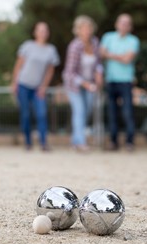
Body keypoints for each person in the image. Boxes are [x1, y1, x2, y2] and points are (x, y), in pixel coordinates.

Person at [11, 22, 60, 151]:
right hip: (23, 84)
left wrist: (44, 86)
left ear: (48, 33)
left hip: (38, 87)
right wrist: (14, 82)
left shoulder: (51, 50)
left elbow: (50, 70)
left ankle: (43, 142)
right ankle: (28, 142)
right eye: (40, 30)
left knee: (41, 113)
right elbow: (18, 65)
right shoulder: (27, 46)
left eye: (45, 30)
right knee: (26, 114)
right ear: (35, 32)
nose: (43, 33)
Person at [63, 15, 103, 152]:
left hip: (90, 83)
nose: (87, 31)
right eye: (84, 28)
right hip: (74, 85)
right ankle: (81, 142)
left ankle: (75, 140)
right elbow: (69, 72)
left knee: (86, 111)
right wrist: (84, 83)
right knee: (79, 111)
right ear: (78, 30)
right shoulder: (74, 47)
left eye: (89, 28)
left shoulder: (95, 43)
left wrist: (99, 73)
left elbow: (98, 63)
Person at [100, 14, 140, 152]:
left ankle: (130, 142)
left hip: (126, 81)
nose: (124, 25)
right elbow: (102, 54)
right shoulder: (108, 37)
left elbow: (127, 59)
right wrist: (120, 56)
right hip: (110, 80)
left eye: (127, 23)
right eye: (121, 22)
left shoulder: (134, 40)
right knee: (112, 113)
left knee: (127, 112)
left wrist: (110, 55)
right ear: (116, 24)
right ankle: (113, 142)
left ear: (130, 26)